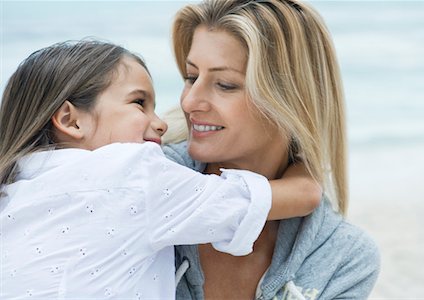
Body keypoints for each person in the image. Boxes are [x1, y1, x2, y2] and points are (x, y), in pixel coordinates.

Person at [0, 40, 322, 299]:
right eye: (139, 103)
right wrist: (305, 165)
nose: (162, 123)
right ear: (71, 120)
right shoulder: (137, 176)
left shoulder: (13, 189)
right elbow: (287, 198)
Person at [163, 0, 381, 299]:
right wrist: (297, 192)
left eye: (225, 84)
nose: (189, 102)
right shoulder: (150, 174)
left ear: (291, 101)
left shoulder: (343, 258)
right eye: (191, 77)